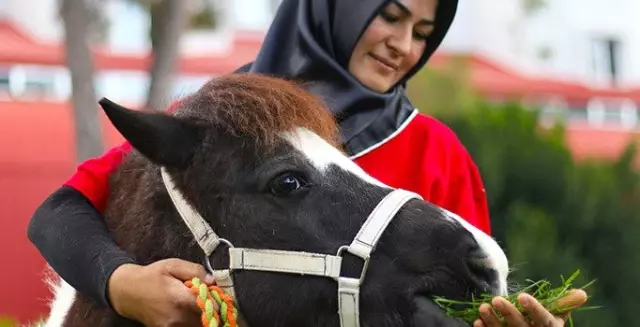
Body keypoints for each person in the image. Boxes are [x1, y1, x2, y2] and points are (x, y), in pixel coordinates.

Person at [27, 0, 587, 326]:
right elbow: (60, 211)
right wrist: (122, 283)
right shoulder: (224, 127)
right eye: (389, 16)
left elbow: (469, 298)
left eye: (423, 33)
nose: (404, 46)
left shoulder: (437, 150)